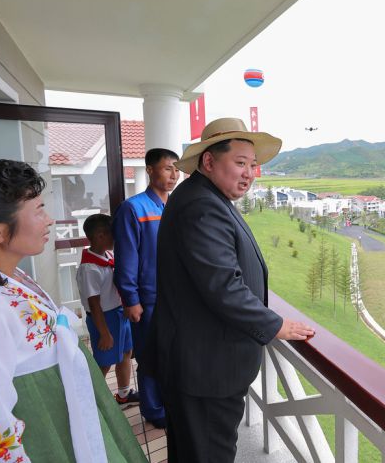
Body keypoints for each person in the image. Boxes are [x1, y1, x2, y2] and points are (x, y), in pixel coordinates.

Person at [146, 118, 315, 462]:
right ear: (209, 161)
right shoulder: (201, 206)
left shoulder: (204, 196)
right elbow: (223, 285)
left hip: (196, 363)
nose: (249, 173)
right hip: (205, 370)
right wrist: (275, 324)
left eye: (253, 165)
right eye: (240, 163)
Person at [0, 159, 147, 462]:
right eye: (38, 210)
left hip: (66, 420)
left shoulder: (13, 277)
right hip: (46, 434)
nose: (49, 220)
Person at [112, 148, 179, 429]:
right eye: (167, 168)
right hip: (148, 299)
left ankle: (171, 402)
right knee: (150, 355)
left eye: (177, 169)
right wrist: (131, 299)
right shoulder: (134, 208)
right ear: (150, 170)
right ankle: (154, 410)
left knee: (172, 353)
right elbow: (127, 257)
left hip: (175, 298)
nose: (174, 175)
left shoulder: (176, 207)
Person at [76, 214, 138, 405]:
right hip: (103, 318)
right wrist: (104, 333)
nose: (116, 238)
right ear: (101, 236)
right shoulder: (89, 268)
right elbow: (94, 304)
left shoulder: (108, 256)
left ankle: (124, 393)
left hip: (119, 314)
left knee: (126, 352)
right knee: (104, 362)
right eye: (114, 234)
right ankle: (91, 401)